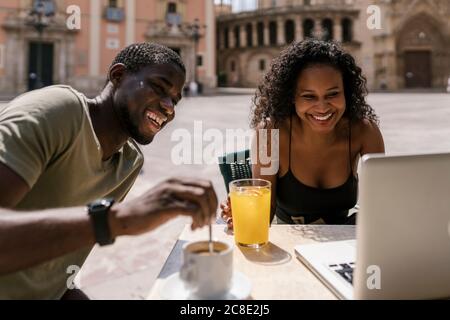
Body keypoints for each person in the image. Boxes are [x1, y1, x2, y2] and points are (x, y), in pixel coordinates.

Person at [0, 43, 218, 299]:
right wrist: (119, 218)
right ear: (118, 75)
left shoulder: (128, 162)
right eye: (158, 88)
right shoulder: (57, 111)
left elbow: (55, 264)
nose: (169, 107)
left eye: (175, 100)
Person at [221, 39, 384, 227]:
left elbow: (379, 202)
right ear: (291, 97)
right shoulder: (269, 134)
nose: (322, 107)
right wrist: (245, 216)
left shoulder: (365, 132)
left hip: (347, 244)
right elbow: (265, 213)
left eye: (332, 94)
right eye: (309, 96)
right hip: (291, 244)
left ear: (346, 93)